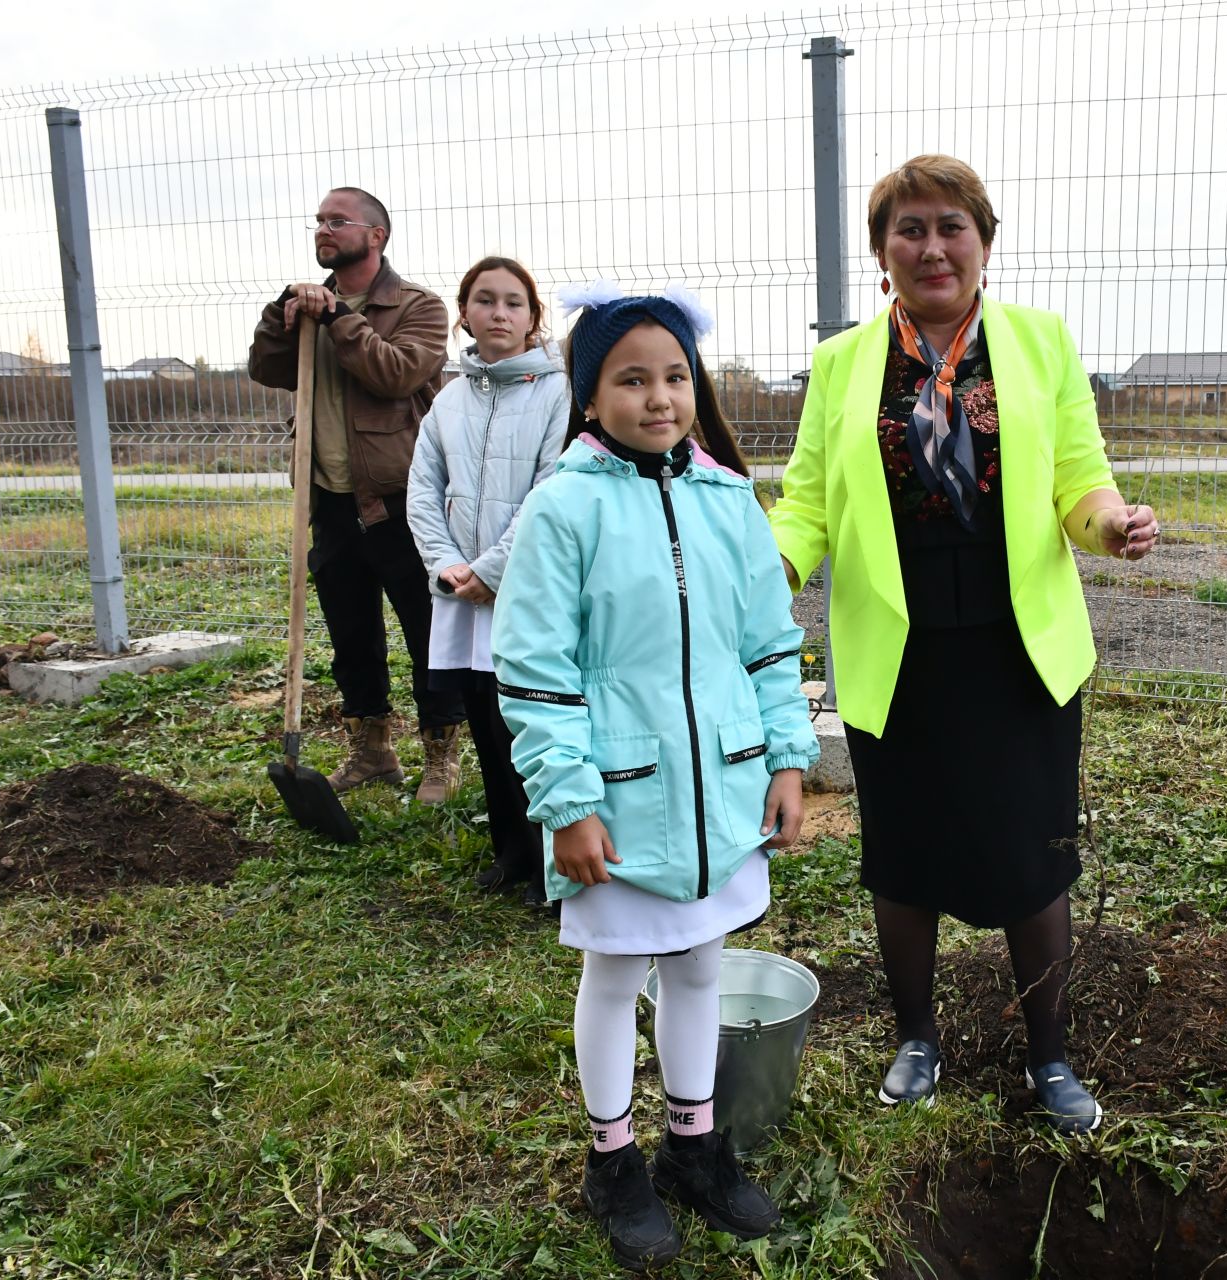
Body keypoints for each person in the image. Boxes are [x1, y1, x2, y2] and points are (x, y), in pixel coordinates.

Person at [766, 155, 1159, 1135]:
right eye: (909, 228)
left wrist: (1110, 525)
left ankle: (1051, 1053)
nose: (931, 246)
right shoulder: (841, 364)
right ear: (882, 250)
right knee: (904, 858)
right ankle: (916, 1035)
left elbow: (1081, 475)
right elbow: (808, 499)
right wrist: (760, 572)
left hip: (1020, 652)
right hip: (898, 655)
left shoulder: (1038, 342)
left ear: (985, 239)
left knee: (1035, 859)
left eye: (951, 226)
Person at [492, 284, 816, 1270]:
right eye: (631, 378)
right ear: (590, 398)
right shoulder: (563, 510)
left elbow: (768, 645)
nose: (659, 396)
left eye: (674, 375)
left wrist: (789, 756)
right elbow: (537, 672)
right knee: (615, 970)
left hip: (720, 797)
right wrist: (569, 800)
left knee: (700, 966)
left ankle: (693, 1141)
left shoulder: (728, 500)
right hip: (620, 804)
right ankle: (613, 1157)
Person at [248, 186, 467, 802]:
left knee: (427, 631)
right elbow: (266, 369)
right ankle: (372, 751)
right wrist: (281, 312)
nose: (323, 229)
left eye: (338, 220)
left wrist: (340, 319)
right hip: (327, 499)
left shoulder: (416, 306)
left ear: (377, 236)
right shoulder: (305, 307)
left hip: (400, 499)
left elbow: (397, 373)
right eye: (319, 220)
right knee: (351, 634)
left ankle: (440, 754)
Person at [406, 256, 569, 906]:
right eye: (484, 300)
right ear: (464, 314)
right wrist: (448, 567)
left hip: (522, 592)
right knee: (482, 722)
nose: (499, 313)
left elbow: (550, 488)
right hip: (463, 599)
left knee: (528, 726)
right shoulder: (449, 399)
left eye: (513, 303)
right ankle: (507, 850)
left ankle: (545, 864)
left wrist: (494, 569)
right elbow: (423, 488)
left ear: (533, 317)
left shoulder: (556, 393)